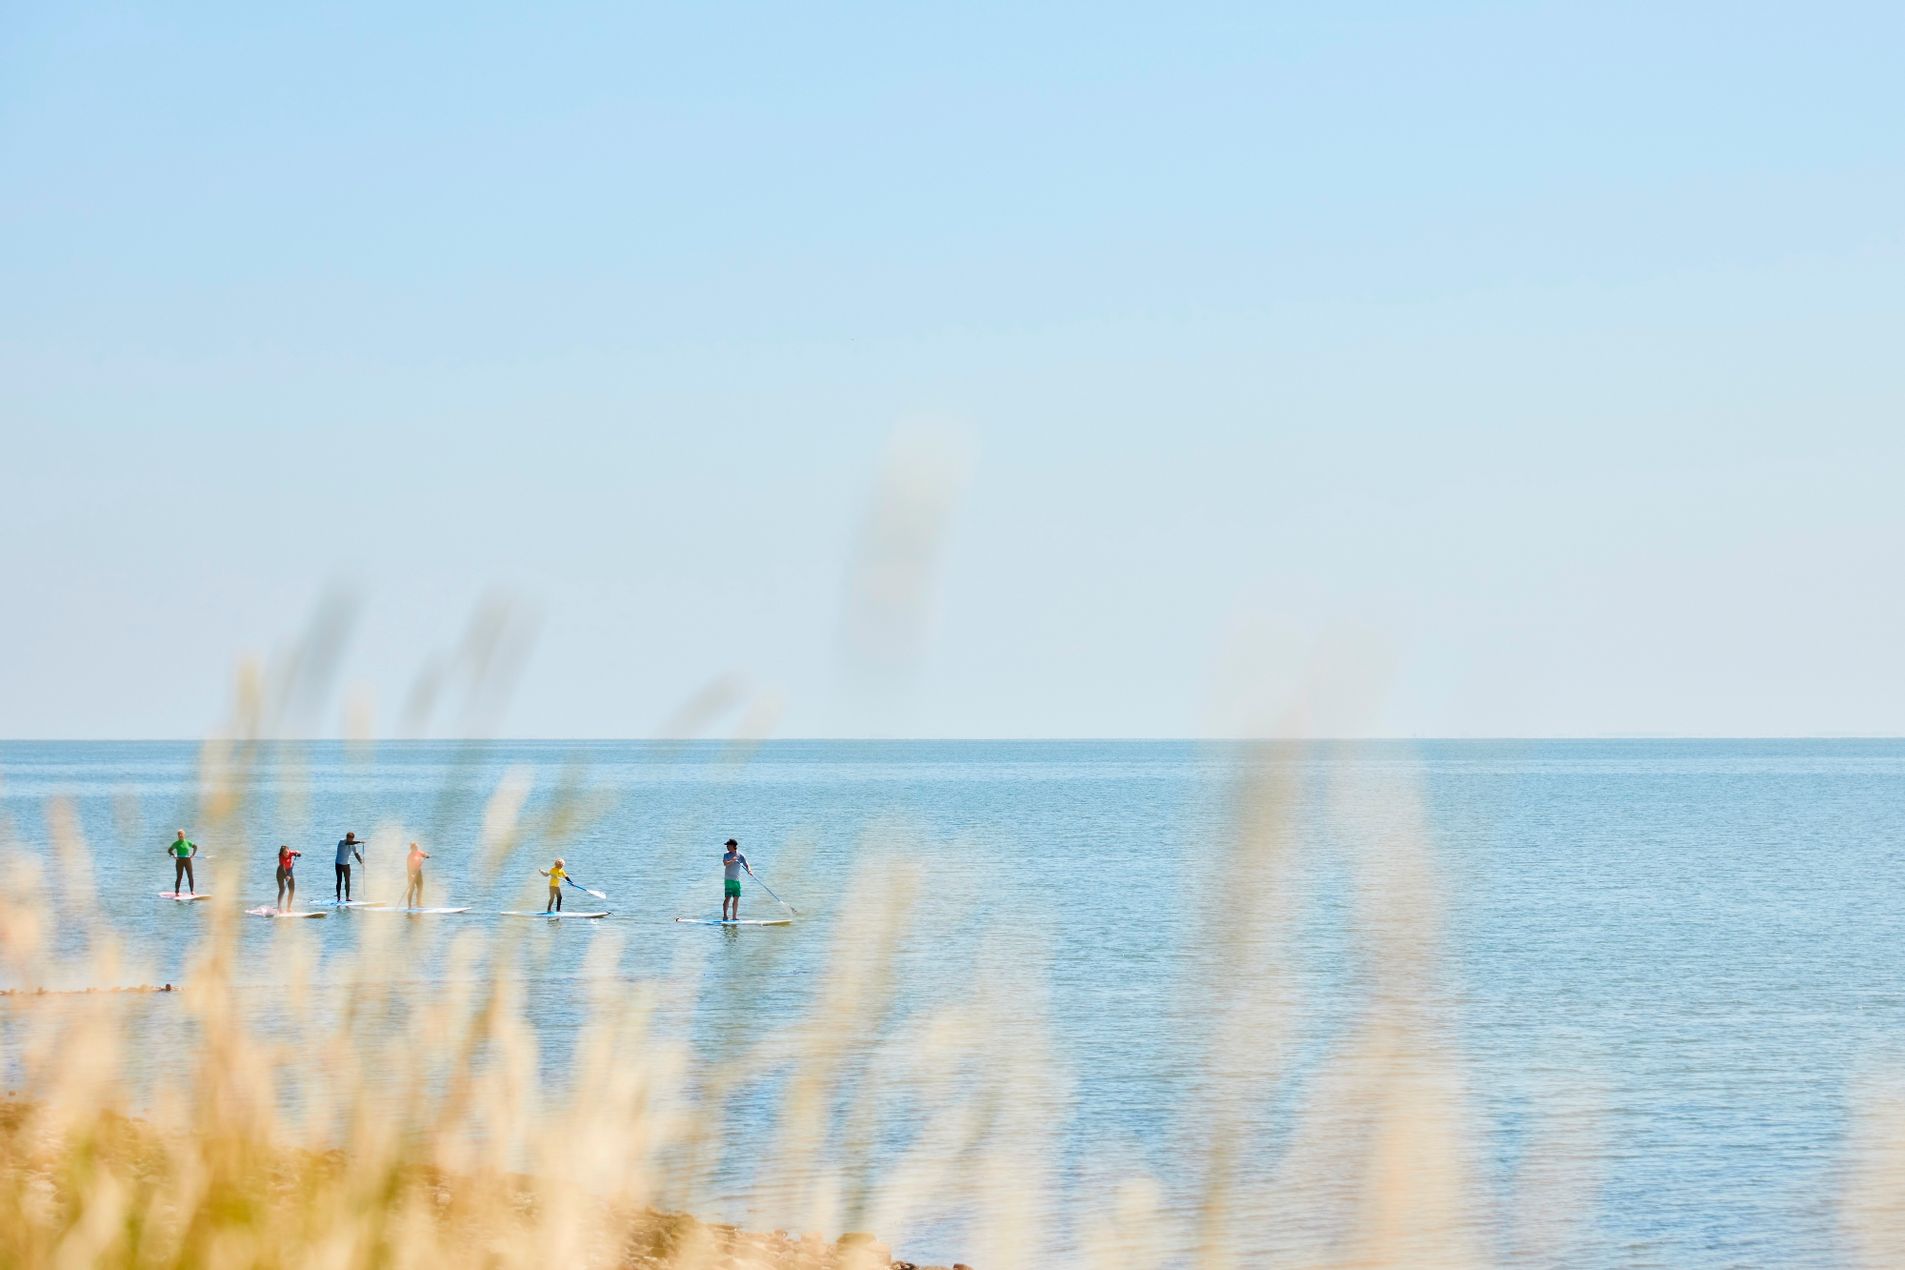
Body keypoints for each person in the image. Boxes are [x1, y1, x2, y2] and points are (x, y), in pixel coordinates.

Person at [721, 838, 753, 921]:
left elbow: (746, 864)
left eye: (728, 845)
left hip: (736, 880)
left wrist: (749, 870)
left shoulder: (740, 855)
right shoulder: (726, 854)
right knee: (728, 897)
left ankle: (734, 917)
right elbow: (725, 864)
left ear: (733, 846)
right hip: (728, 880)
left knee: (736, 898)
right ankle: (725, 916)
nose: (727, 847)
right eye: (727, 846)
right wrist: (732, 860)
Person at [165, 830, 199, 895]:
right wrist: (173, 855)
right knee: (179, 876)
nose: (180, 835)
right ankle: (177, 892)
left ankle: (192, 891)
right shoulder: (176, 843)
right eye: (179, 834)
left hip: (187, 860)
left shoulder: (188, 842)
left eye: (181, 834)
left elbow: (195, 847)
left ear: (184, 835)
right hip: (179, 860)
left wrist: (193, 855)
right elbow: (169, 850)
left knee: (190, 875)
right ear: (178, 835)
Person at [334, 831, 365, 902]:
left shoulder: (353, 845)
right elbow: (348, 843)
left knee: (347, 881)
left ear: (353, 838)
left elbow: (356, 854)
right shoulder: (342, 841)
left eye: (351, 839)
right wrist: (360, 842)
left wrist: (361, 862)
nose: (350, 840)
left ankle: (347, 897)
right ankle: (338, 898)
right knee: (339, 880)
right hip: (338, 864)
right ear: (347, 838)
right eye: (349, 839)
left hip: (346, 864)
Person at [403, 842, 430, 909]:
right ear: (412, 848)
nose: (417, 848)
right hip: (411, 873)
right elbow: (408, 867)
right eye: (415, 847)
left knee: (420, 887)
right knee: (412, 889)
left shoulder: (419, 852)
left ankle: (419, 904)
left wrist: (426, 855)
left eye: (417, 847)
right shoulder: (409, 856)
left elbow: (425, 855)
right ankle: (409, 906)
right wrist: (411, 874)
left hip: (418, 872)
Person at [275, 844, 301, 912]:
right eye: (284, 853)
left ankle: (288, 908)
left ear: (288, 850)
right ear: (282, 853)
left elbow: (299, 854)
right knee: (282, 890)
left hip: (289, 871)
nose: (286, 854)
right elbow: (282, 867)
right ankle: (279, 908)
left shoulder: (290, 853)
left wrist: (298, 853)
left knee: (292, 890)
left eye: (287, 852)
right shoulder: (281, 857)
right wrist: (286, 876)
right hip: (281, 872)